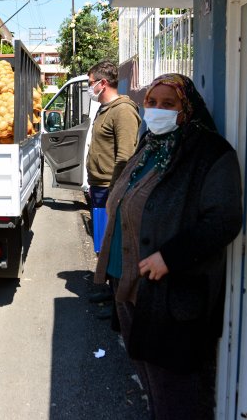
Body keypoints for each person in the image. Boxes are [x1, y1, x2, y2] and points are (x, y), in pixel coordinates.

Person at [94, 73, 243, 419]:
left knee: (177, 391)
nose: (157, 110)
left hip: (169, 292)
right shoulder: (151, 145)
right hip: (129, 283)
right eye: (152, 103)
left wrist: (171, 257)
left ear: (186, 109)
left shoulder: (209, 154)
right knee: (148, 376)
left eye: (168, 104)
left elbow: (224, 219)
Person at [85, 61, 141, 315]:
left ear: (102, 83)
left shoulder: (123, 112)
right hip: (100, 186)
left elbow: (126, 156)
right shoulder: (104, 109)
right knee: (103, 241)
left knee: (116, 244)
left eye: (90, 83)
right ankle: (107, 288)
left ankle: (118, 300)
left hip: (112, 188)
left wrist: (117, 193)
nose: (90, 88)